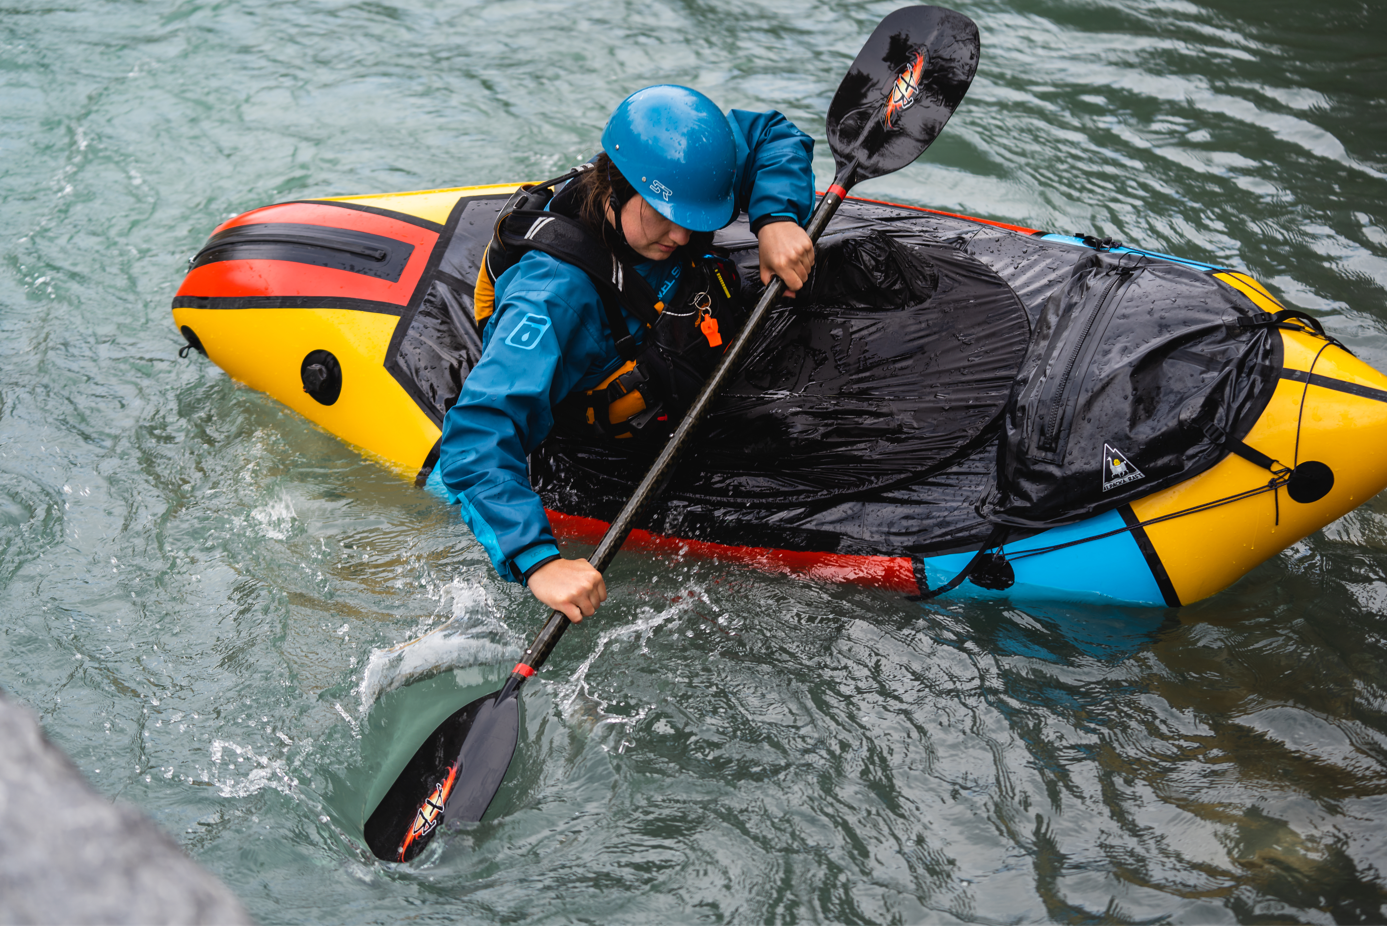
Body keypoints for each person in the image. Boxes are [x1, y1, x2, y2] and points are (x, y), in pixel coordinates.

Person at [437, 85, 816, 624]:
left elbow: (768, 132)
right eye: (664, 214)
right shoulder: (554, 299)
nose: (683, 234)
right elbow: (475, 436)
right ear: (615, 186)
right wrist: (537, 561)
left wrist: (775, 217)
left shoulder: (679, 166)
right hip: (590, 414)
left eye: (694, 215)